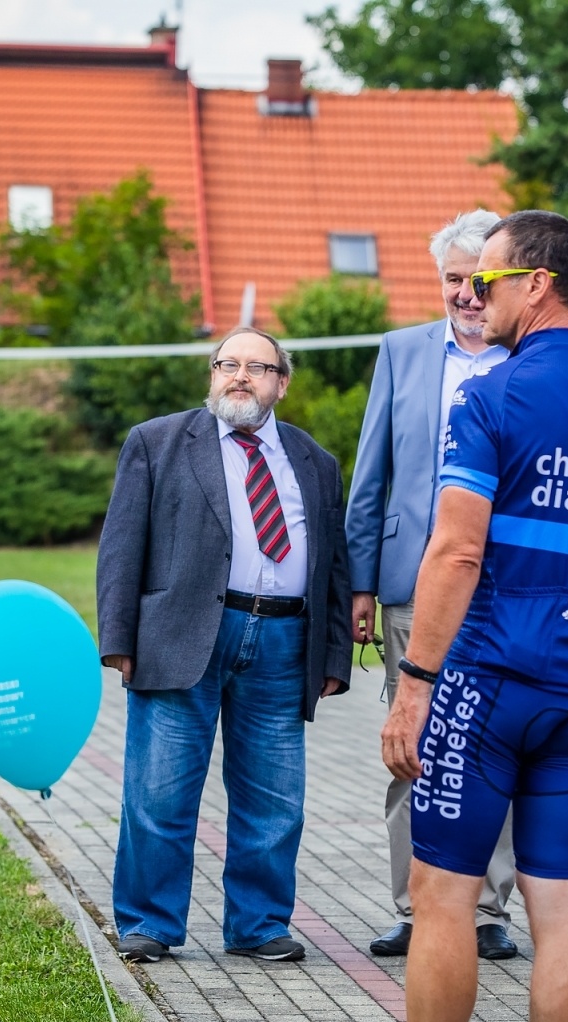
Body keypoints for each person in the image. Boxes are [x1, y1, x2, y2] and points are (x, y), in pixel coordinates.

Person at [380, 210, 568, 1022]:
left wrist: (414, 684)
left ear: (536, 284)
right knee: (563, 905)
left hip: (487, 682)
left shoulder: (490, 395)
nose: (472, 293)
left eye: (488, 279)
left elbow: (458, 550)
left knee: (441, 896)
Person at [97, 327, 352, 965]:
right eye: (228, 364)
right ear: (212, 374)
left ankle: (259, 925)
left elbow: (335, 566)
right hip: (179, 637)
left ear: (281, 383)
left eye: (257, 367)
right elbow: (121, 546)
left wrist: (334, 654)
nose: (241, 376)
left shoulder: (315, 461)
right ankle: (149, 923)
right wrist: (119, 640)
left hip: (284, 639)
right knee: (159, 791)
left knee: (275, 796)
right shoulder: (156, 442)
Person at [346, 210, 520, 961]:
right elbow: (371, 472)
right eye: (454, 280)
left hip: (506, 584)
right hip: (412, 583)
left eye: (480, 281)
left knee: (491, 745)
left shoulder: (529, 358)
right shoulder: (401, 351)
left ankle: (487, 911)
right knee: (410, 739)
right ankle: (415, 908)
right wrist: (360, 583)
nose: (467, 295)